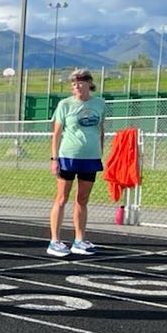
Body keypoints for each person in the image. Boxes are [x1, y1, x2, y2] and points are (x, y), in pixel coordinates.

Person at [47, 68, 106, 257]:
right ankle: (54, 240)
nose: (77, 86)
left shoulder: (100, 103)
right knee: (62, 198)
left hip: (90, 157)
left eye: (81, 82)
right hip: (68, 156)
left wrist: (100, 153)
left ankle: (79, 239)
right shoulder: (65, 105)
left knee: (82, 199)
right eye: (74, 84)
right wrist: (54, 159)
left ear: (89, 83)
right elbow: (56, 134)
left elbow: (100, 130)